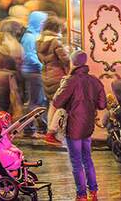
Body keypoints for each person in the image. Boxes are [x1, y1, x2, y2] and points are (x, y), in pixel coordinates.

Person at [53, 50, 106, 201]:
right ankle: (93, 192)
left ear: (73, 62)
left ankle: (81, 195)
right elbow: (102, 105)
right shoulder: (94, 81)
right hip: (88, 126)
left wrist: (63, 83)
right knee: (87, 158)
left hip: (73, 126)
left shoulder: (70, 80)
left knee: (76, 162)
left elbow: (56, 102)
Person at [37, 17, 71, 146]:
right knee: (61, 105)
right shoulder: (56, 42)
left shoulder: (39, 41)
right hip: (58, 76)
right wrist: (68, 51)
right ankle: (52, 132)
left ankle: (50, 132)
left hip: (46, 74)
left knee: (53, 103)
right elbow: (66, 60)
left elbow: (42, 59)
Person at [19, 10, 48, 135]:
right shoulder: (30, 37)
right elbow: (29, 56)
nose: (43, 25)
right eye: (42, 22)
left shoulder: (32, 35)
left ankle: (35, 126)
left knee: (37, 100)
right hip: (33, 71)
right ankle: (29, 127)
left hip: (31, 70)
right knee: (35, 101)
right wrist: (41, 66)